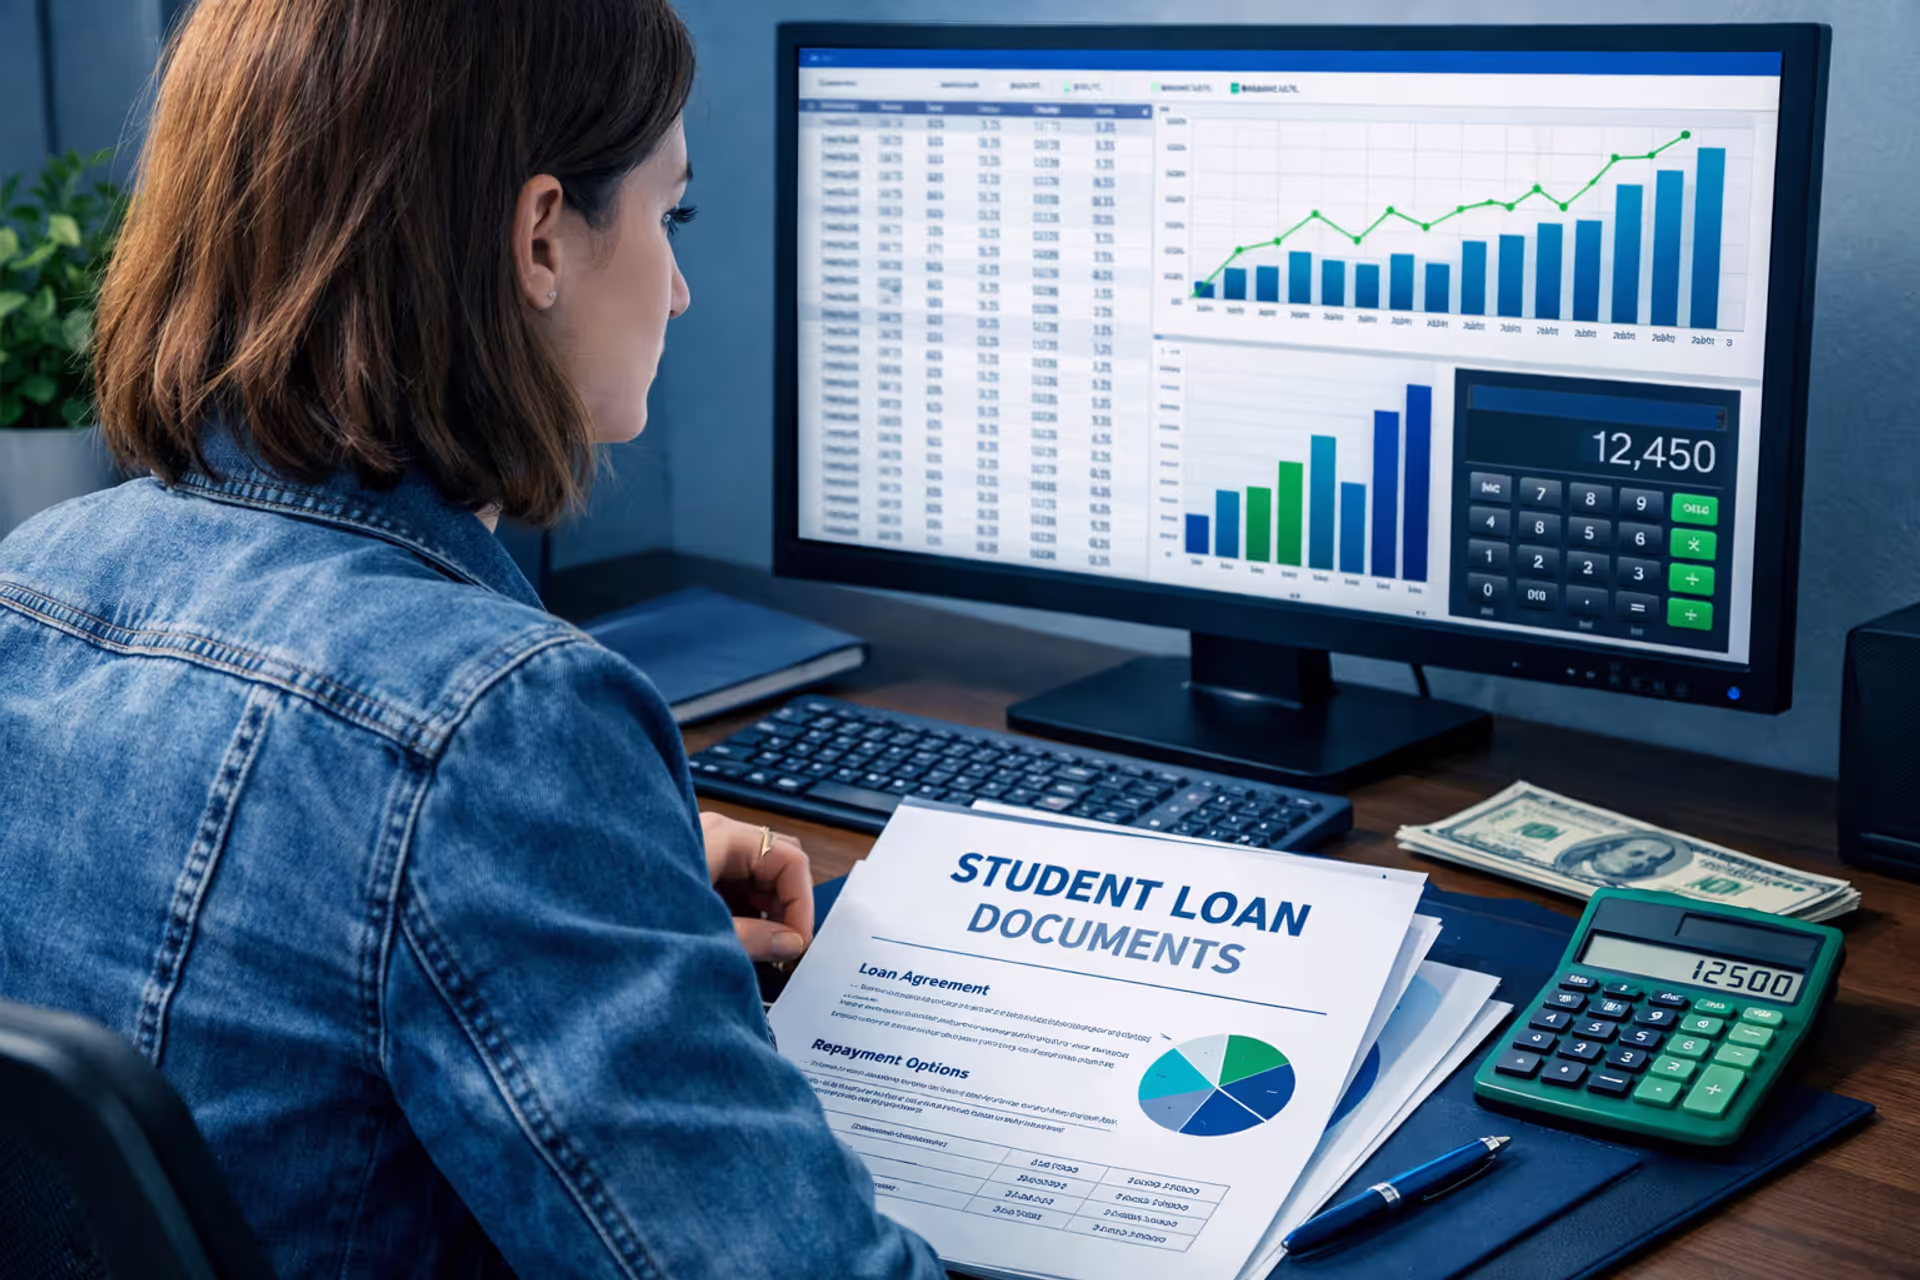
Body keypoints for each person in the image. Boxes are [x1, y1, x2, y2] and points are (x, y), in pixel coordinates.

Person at [0, 1, 943, 1276]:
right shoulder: (493, 732)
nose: (676, 283)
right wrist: (541, 831)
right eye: (674, 212)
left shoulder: (30, 583)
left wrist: (603, 894)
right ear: (542, 236)